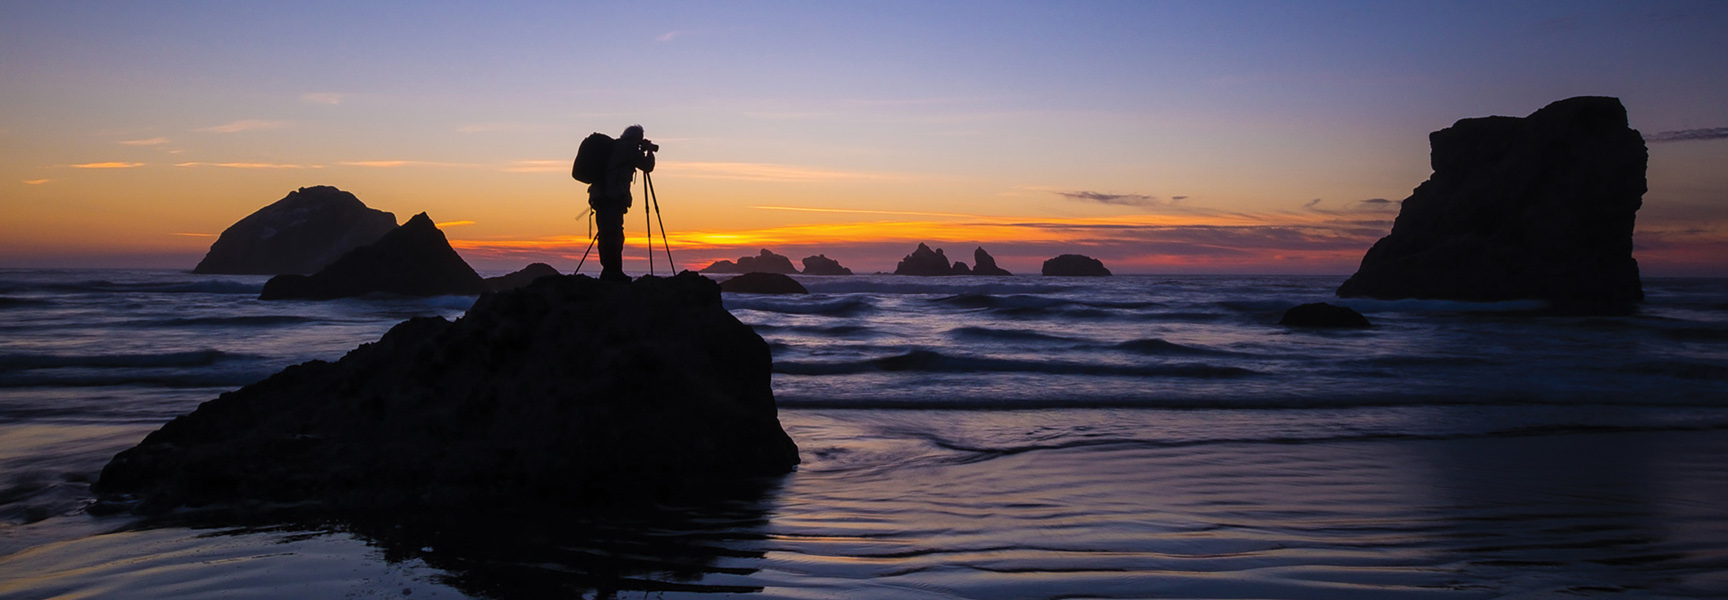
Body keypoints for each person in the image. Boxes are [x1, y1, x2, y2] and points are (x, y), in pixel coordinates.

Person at [587, 125, 657, 282]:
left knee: (608, 235)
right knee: (614, 236)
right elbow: (647, 166)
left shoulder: (617, 147)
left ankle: (610, 271)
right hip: (611, 199)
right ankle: (613, 273)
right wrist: (649, 151)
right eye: (640, 139)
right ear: (636, 138)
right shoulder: (627, 149)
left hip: (601, 197)